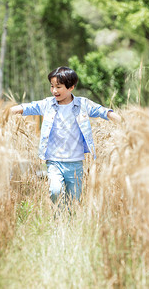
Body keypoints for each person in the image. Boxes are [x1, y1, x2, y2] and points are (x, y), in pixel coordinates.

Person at [10, 66, 121, 206]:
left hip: (75, 163)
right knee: (55, 191)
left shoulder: (82, 104)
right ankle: (58, 219)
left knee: (74, 201)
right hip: (54, 161)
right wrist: (5, 113)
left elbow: (102, 111)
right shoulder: (48, 104)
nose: (54, 91)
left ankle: (67, 224)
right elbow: (27, 107)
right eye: (52, 86)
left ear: (71, 87)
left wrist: (123, 120)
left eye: (58, 86)